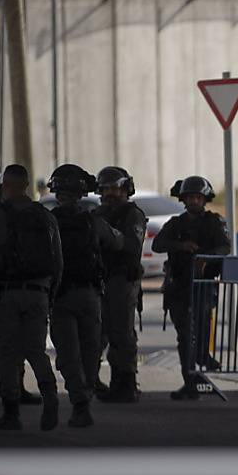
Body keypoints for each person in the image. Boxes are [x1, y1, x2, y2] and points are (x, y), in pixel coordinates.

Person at [0, 164, 62, 431]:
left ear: (6, 187)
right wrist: (50, 293)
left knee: (7, 353)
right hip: (38, 294)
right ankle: (51, 396)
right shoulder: (46, 218)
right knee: (35, 350)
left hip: (6, 296)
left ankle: (11, 413)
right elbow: (58, 261)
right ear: (27, 186)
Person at [47, 164, 124, 427]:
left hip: (60, 296)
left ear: (56, 192)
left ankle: (79, 400)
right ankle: (86, 396)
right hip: (90, 296)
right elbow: (118, 242)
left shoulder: (47, 221)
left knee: (68, 353)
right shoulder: (93, 221)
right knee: (90, 350)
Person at [152, 176, 229, 400]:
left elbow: (225, 247)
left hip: (204, 287)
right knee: (185, 336)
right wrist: (181, 246)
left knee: (202, 333)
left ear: (204, 200)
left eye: (198, 197)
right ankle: (190, 381)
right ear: (183, 200)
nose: (194, 201)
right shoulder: (176, 223)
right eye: (190, 197)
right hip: (178, 287)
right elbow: (158, 244)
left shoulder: (214, 222)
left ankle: (202, 360)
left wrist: (206, 258)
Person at [0, 177, 41, 404]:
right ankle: (11, 389)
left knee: (7, 347)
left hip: (2, 292)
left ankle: (10, 394)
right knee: (16, 347)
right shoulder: (33, 219)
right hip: (20, 292)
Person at [94, 166, 147, 403]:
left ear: (126, 189)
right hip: (101, 278)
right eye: (105, 189)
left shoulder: (131, 214)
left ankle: (126, 382)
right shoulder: (99, 213)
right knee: (101, 332)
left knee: (122, 333)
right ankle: (111, 382)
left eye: (114, 188)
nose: (110, 193)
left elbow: (131, 247)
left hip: (122, 279)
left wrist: (106, 233)